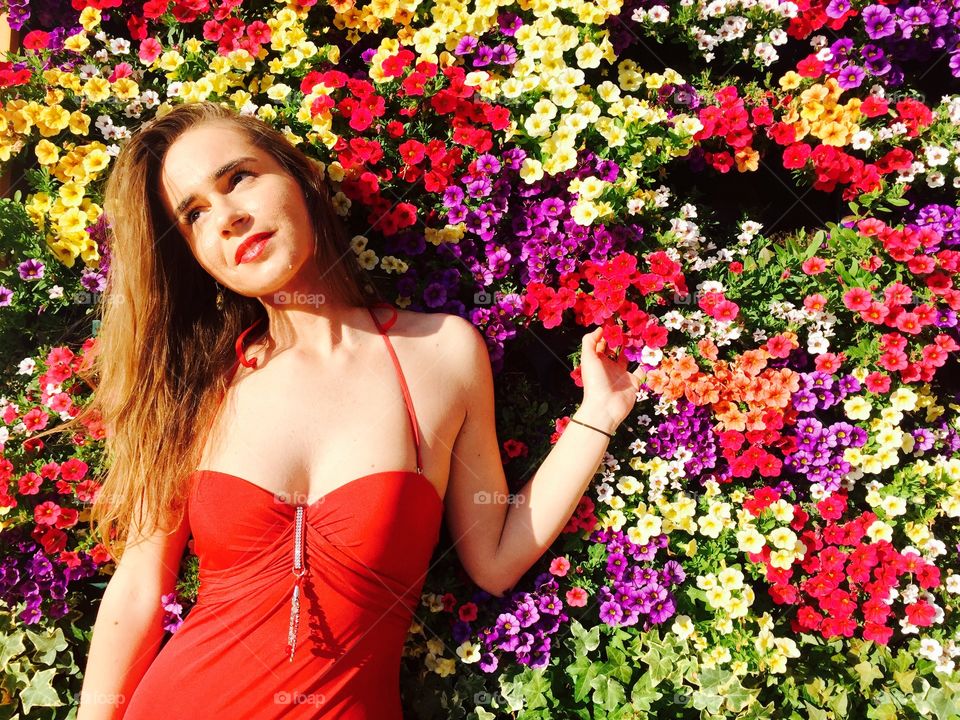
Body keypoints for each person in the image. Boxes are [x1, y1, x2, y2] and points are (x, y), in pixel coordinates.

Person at [73, 100, 645, 719]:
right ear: (194, 254)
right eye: (194, 214)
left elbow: (495, 560)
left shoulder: (441, 355)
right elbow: (136, 593)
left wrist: (598, 416)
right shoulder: (200, 387)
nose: (228, 219)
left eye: (238, 178)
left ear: (303, 177)